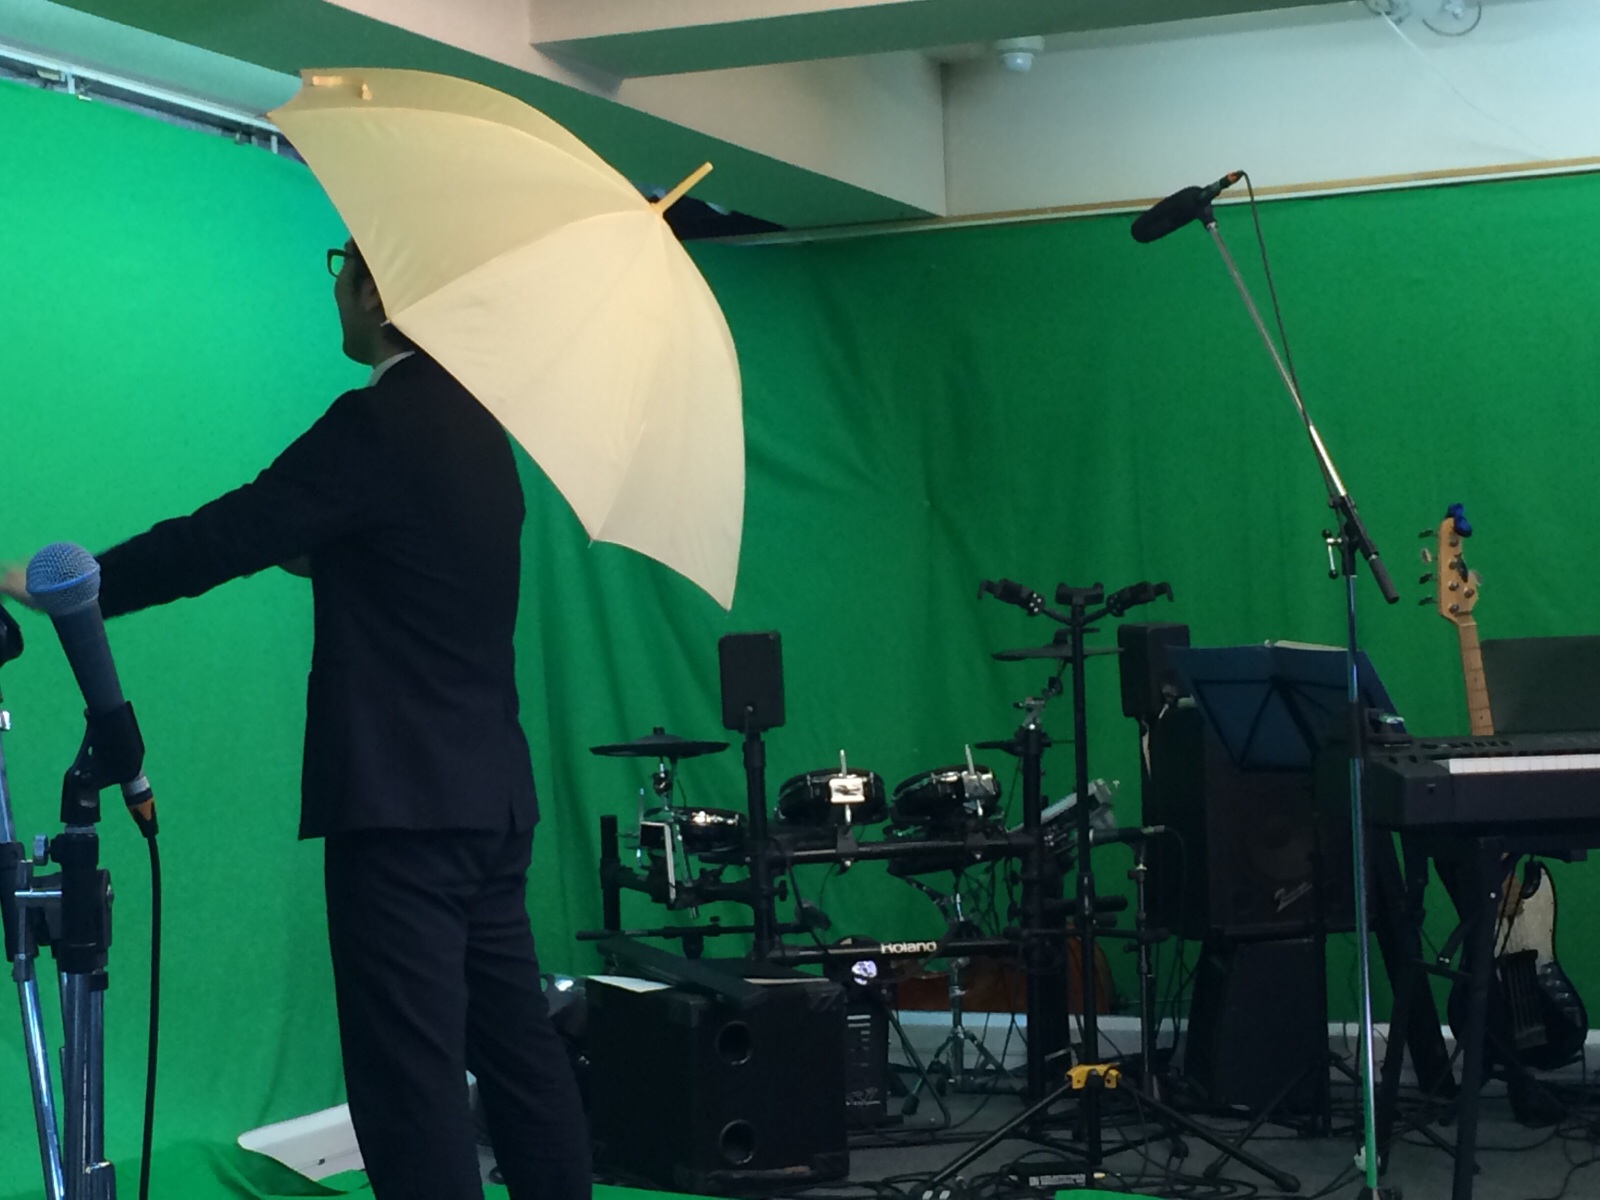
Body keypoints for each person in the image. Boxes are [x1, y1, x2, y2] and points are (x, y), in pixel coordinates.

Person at [1, 240, 590, 1200]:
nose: (336, 287)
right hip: (492, 799)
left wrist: (66, 588)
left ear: (375, 290)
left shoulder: (376, 423)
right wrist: (334, 552)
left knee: (410, 1081)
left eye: (341, 266)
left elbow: (227, 534)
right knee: (521, 1057)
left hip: (399, 808)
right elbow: (417, 571)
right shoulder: (483, 433)